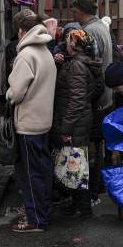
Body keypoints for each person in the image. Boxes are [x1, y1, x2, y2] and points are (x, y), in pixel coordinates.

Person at [7, 12, 57, 233]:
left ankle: (36, 219)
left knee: (30, 173)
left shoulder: (26, 55)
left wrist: (8, 93)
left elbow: (16, 93)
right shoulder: (45, 51)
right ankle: (41, 212)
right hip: (44, 120)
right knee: (42, 170)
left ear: (21, 31)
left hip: (28, 122)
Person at [51, 29, 104, 217]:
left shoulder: (76, 66)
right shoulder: (82, 63)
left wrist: (66, 127)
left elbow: (77, 99)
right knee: (76, 161)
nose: (66, 44)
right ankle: (79, 204)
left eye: (68, 41)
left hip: (75, 121)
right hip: (81, 119)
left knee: (75, 162)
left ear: (74, 45)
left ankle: (82, 206)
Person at [71, 0, 113, 204]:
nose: (73, 11)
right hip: (103, 98)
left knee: (91, 149)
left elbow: (90, 70)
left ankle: (91, 194)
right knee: (98, 147)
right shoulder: (101, 28)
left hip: (94, 100)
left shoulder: (88, 32)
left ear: (81, 9)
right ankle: (97, 189)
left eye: (75, 8)